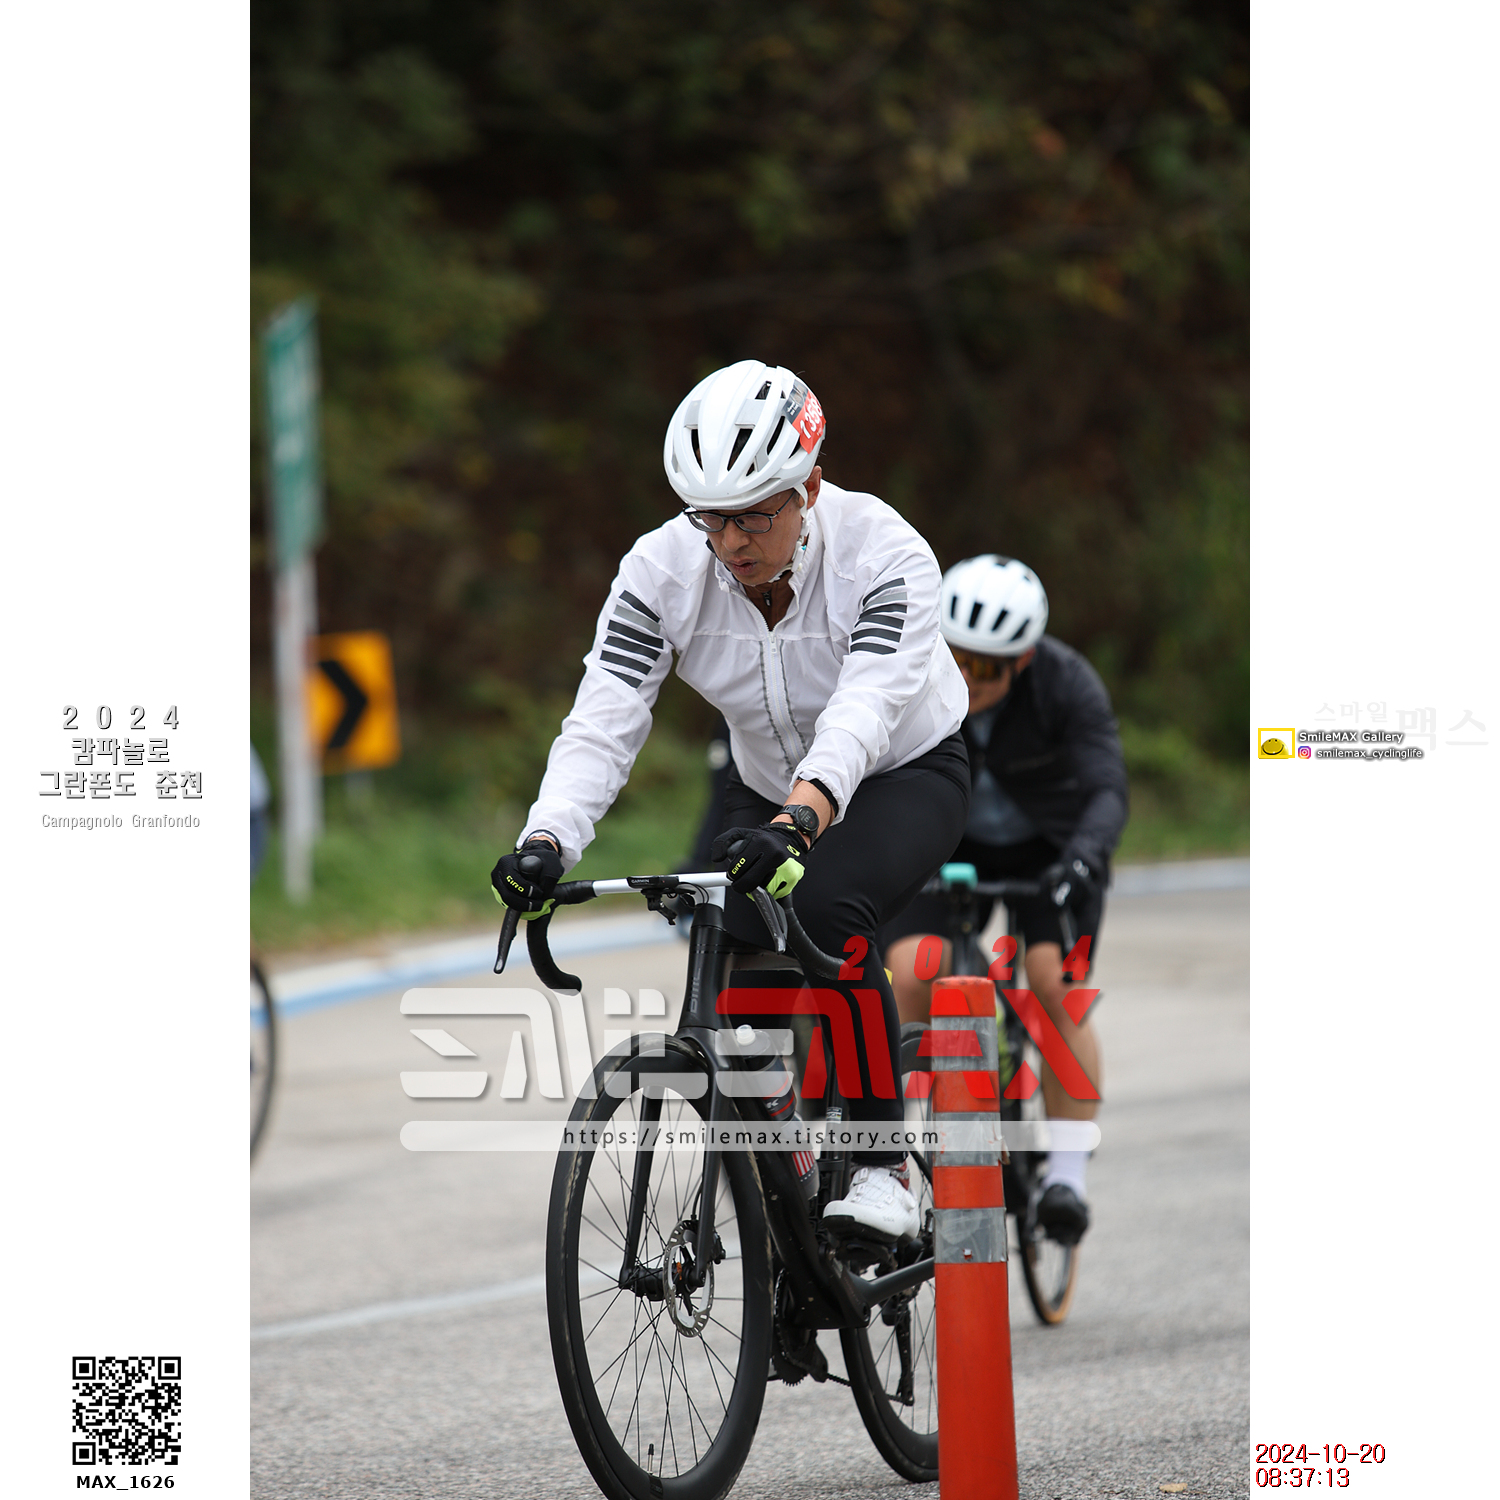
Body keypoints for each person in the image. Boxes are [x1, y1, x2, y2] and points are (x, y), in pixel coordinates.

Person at [491, 360, 970, 1241]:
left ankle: (880, 1164)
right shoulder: (660, 570)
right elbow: (605, 714)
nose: (730, 541)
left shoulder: (886, 552)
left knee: (826, 907)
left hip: (902, 770)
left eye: (754, 515)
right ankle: (773, 1184)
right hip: (763, 787)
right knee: (730, 959)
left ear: (809, 489)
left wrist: (802, 818)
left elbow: (864, 710)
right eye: (709, 516)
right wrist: (548, 839)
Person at [878, 555, 1128, 1244]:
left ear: (1023, 661)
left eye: (985, 668)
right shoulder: (913, 670)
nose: (966, 679)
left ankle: (1066, 1177)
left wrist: (1083, 859)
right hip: (951, 841)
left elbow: (1107, 787)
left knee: (1055, 983)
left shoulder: (1067, 684)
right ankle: (891, 1156)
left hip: (1052, 852)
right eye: (955, 658)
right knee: (909, 970)